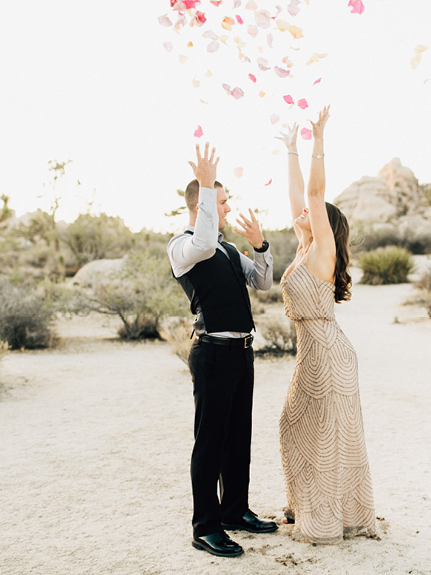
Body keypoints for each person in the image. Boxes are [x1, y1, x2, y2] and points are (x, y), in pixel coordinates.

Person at [168, 142, 278, 558]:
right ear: (202, 205)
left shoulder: (230, 249)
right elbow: (203, 243)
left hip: (243, 353)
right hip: (211, 353)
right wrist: (208, 185)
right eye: (221, 202)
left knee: (238, 438)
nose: (228, 209)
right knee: (210, 441)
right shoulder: (182, 247)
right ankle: (205, 526)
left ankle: (234, 511)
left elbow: (263, 283)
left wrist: (261, 246)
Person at [276, 107, 377, 544]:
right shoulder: (304, 249)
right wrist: (291, 150)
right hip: (311, 351)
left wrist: (318, 140)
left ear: (324, 227)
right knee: (295, 427)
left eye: (313, 215)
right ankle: (308, 507)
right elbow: (300, 197)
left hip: (329, 354)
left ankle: (326, 520)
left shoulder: (322, 254)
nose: (301, 212)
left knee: (326, 437)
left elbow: (314, 198)